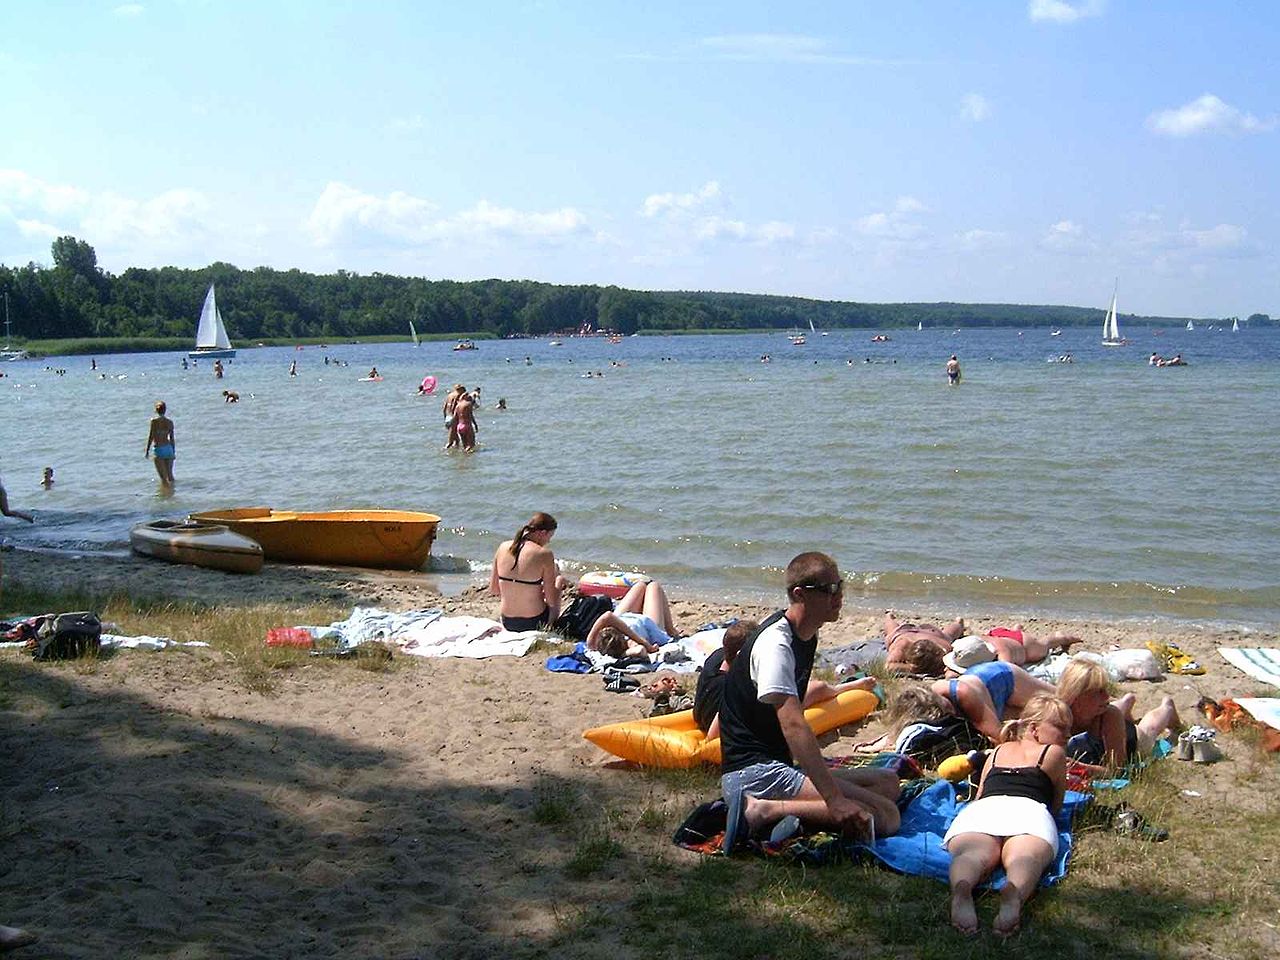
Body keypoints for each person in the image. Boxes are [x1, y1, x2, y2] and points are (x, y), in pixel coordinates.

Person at [718, 552, 901, 852]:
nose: (839, 596)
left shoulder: (806, 635)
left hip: (777, 765)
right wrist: (834, 799)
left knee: (888, 784)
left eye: (840, 586)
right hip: (752, 775)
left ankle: (787, 812)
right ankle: (761, 810)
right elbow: (793, 724)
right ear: (799, 594)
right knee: (886, 816)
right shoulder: (776, 645)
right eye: (829, 589)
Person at [944, 694, 1071, 937]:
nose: (1068, 735)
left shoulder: (997, 751)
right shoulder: (1053, 753)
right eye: (1060, 727)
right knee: (1024, 857)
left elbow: (980, 795)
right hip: (1029, 811)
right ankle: (1014, 894)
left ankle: (962, 889)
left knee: (973, 854)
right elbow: (1056, 805)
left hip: (984, 809)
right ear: (1034, 728)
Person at [1057, 659, 1181, 770]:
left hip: (1129, 739)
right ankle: (1126, 702)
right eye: (1098, 692)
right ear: (1078, 696)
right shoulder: (1057, 714)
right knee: (1108, 708)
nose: (1107, 696)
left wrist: (1081, 767)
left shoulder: (1108, 716)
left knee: (1149, 729)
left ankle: (1167, 708)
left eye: (1105, 689)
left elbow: (1116, 769)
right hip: (1102, 717)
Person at [930, 661, 1056, 743]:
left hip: (998, 678)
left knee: (1058, 701)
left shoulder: (961, 693)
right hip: (991, 702)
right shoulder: (929, 715)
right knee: (1035, 720)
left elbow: (999, 736)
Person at [489, 512, 564, 631]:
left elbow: (494, 589)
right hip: (534, 621)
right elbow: (551, 600)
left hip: (508, 620)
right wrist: (557, 581)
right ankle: (549, 625)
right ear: (542, 533)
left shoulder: (503, 546)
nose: (548, 541)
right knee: (559, 579)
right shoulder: (544, 553)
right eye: (549, 537)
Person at [694, 620, 757, 739]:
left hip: (701, 717)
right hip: (720, 731)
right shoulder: (733, 686)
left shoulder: (716, 656)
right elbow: (712, 735)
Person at [585, 580, 681, 657]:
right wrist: (643, 645)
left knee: (640, 585)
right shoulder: (631, 645)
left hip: (624, 616)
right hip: (647, 624)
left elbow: (608, 615)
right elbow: (640, 650)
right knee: (654, 586)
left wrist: (638, 638)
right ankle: (671, 630)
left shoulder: (592, 643)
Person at [144, 401, 176, 486]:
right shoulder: (169, 422)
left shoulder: (154, 421)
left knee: (163, 478)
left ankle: (166, 492)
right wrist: (173, 451)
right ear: (165, 410)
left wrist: (147, 450)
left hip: (159, 449)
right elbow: (172, 438)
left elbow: (151, 436)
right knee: (170, 476)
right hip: (168, 449)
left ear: (156, 410)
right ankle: (173, 491)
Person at [443, 384, 465, 448]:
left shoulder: (449, 395)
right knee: (450, 442)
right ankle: (444, 451)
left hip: (448, 417)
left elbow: (444, 407)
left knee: (456, 440)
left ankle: (455, 452)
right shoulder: (458, 396)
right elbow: (455, 407)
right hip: (453, 418)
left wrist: (445, 417)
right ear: (460, 389)